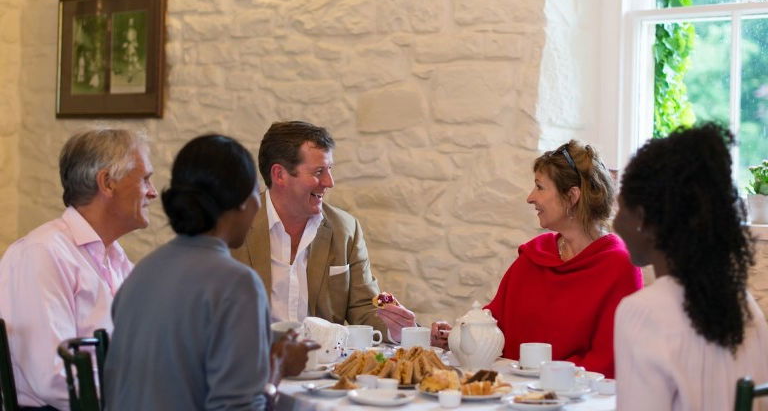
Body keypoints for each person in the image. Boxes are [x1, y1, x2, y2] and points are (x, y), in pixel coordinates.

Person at [105, 134, 317, 411]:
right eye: (256, 193)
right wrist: (279, 369)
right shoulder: (237, 284)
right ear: (242, 202)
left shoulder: (142, 271)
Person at [432, 140, 642, 378]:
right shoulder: (534, 256)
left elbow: (608, 361)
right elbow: (491, 327)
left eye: (540, 187)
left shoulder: (620, 266)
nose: (530, 198)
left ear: (572, 197)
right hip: (511, 394)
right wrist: (457, 338)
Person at [613, 125, 768, 411]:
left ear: (644, 221)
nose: (615, 223)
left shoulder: (642, 313)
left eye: (622, 209)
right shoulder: (747, 309)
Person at [0, 129, 156, 410]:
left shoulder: (119, 261)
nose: (153, 192)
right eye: (145, 180)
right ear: (107, 183)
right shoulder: (41, 254)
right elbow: (53, 377)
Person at [232, 121, 417, 343]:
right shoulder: (234, 229)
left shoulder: (345, 229)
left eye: (330, 169)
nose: (329, 182)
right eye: (319, 171)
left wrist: (400, 329)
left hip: (325, 370)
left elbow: (364, 308)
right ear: (279, 175)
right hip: (254, 366)